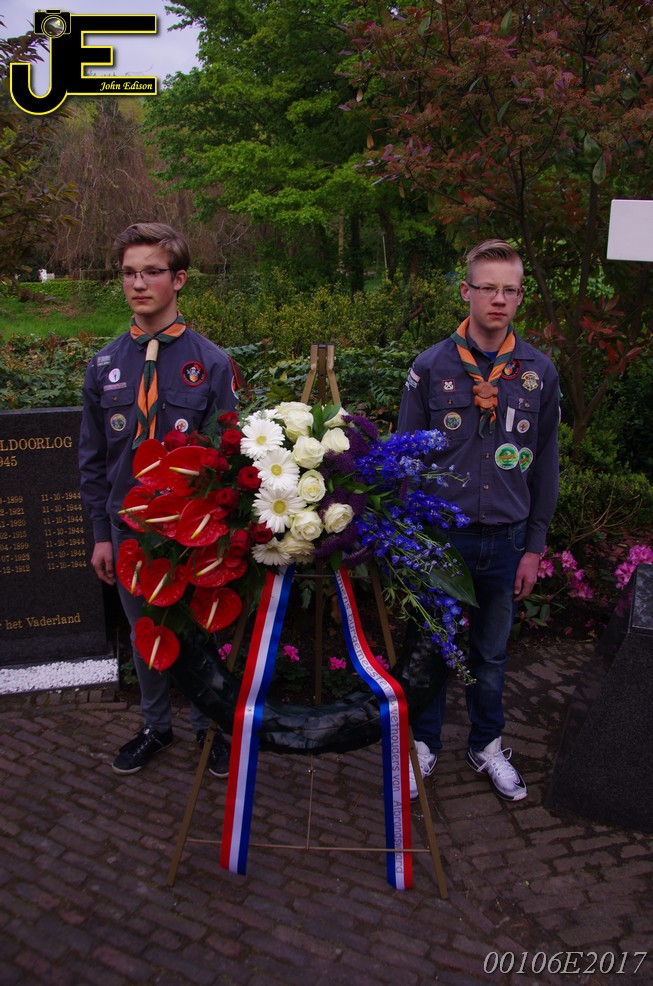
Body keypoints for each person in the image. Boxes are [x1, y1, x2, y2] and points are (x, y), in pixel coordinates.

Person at [398, 239, 559, 802]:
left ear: (520, 296)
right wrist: (410, 538)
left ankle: (486, 745)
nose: (498, 299)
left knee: (491, 654)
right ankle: (423, 744)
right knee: (431, 648)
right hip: (443, 539)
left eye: (509, 290)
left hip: (507, 541)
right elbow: (405, 459)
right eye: (487, 288)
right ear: (466, 291)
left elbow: (546, 463)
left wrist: (534, 547)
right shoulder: (430, 367)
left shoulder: (538, 371)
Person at [79, 222, 240, 777]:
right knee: (144, 634)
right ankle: (156, 726)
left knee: (201, 633)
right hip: (129, 531)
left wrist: (217, 533)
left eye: (151, 271)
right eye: (129, 273)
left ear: (180, 279)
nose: (138, 283)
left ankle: (208, 727)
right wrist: (101, 533)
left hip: (191, 535)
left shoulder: (210, 363)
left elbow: (228, 454)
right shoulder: (104, 365)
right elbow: (93, 460)